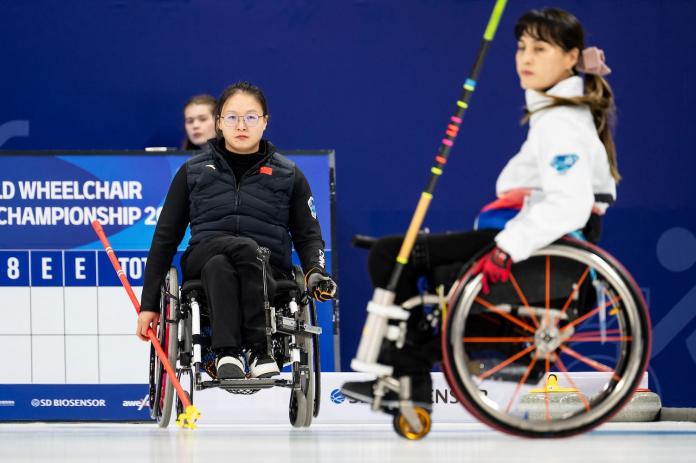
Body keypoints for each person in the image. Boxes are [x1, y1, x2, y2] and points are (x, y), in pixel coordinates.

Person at [342, 7, 619, 411]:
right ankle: (407, 378)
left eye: (540, 48)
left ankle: (407, 376)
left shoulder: (562, 121)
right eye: (521, 47)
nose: (525, 58)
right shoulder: (553, 113)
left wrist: (508, 246)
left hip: (541, 246)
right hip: (526, 235)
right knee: (398, 257)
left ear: (571, 57)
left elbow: (570, 204)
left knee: (391, 256)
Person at [138, 82, 337, 380]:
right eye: (231, 117)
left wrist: (315, 272)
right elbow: (165, 239)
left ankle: (227, 353)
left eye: (251, 117)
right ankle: (259, 350)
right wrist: (149, 305)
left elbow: (309, 235)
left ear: (265, 122)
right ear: (219, 123)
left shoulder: (289, 175)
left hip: (267, 268)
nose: (241, 125)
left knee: (225, 263)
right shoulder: (192, 172)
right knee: (236, 251)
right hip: (201, 259)